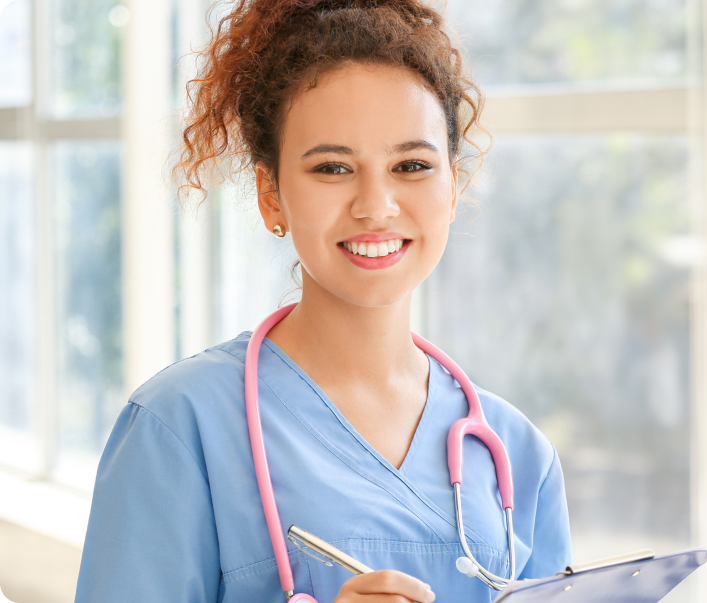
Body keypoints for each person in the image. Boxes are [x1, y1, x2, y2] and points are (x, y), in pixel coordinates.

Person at [74, 1, 572, 601]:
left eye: (412, 165)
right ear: (271, 196)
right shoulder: (180, 426)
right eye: (333, 168)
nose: (375, 205)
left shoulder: (518, 455)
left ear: (453, 188)